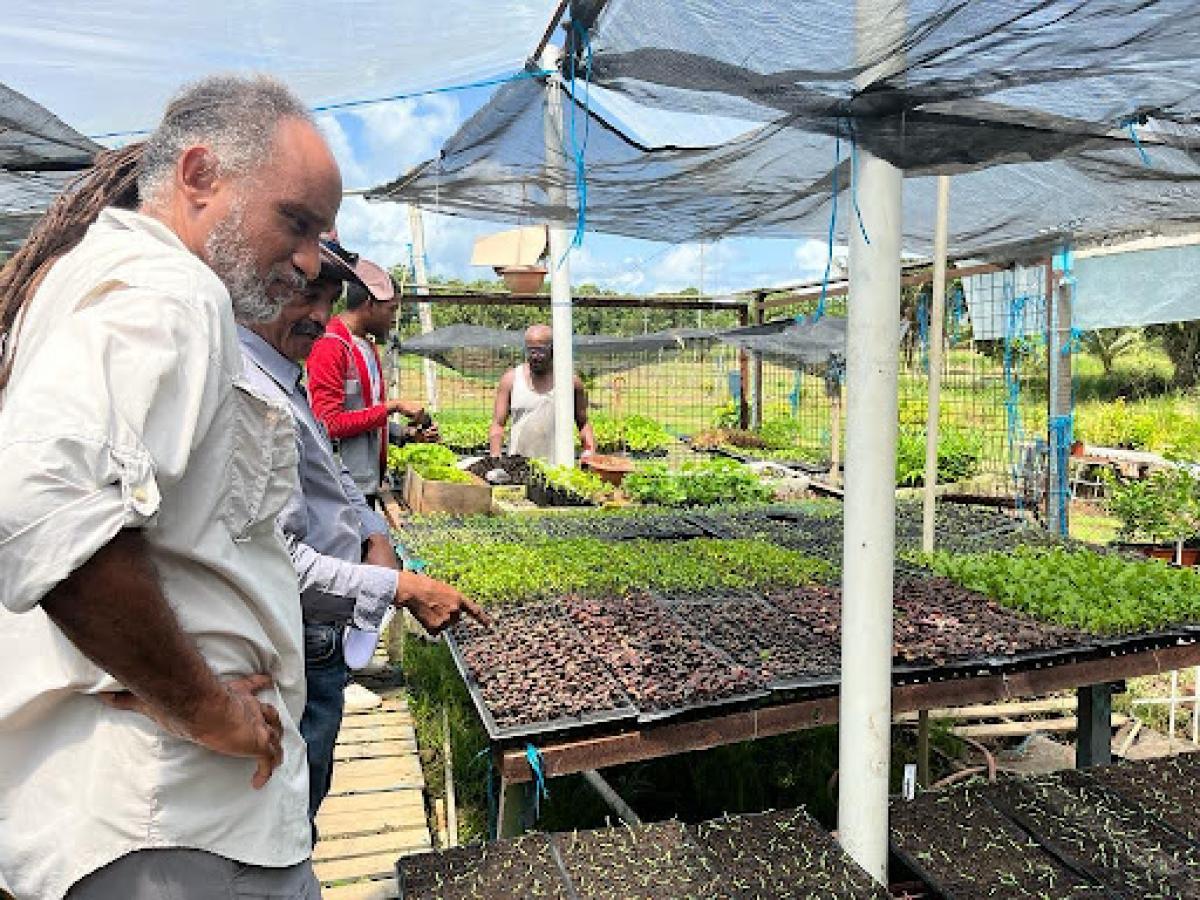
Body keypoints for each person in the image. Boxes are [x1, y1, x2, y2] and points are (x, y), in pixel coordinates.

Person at [0, 75, 339, 900]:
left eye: (321, 233)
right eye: (295, 221)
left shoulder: (131, 284)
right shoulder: (170, 290)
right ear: (198, 176)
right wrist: (205, 709)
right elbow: (44, 502)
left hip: (178, 818)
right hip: (171, 819)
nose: (308, 259)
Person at [238, 239, 486, 825]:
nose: (320, 315)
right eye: (305, 295)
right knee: (292, 804)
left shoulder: (287, 375)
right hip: (298, 631)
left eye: (326, 298)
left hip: (324, 623)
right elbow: (276, 558)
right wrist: (401, 587)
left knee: (308, 786)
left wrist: (373, 530)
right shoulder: (250, 390)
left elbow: (330, 465)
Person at [306, 245, 433, 502]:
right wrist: (392, 407)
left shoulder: (366, 346)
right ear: (369, 304)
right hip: (340, 489)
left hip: (365, 483)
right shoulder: (330, 345)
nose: (393, 320)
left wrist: (405, 434)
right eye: (391, 310)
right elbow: (328, 424)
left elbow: (365, 413)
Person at [489, 323, 597, 461]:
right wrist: (495, 456)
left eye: (540, 351)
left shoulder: (569, 382)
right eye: (530, 351)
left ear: (553, 349)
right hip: (519, 465)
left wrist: (589, 451)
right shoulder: (511, 380)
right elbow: (498, 424)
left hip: (560, 467)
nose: (535, 356)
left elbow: (583, 423)